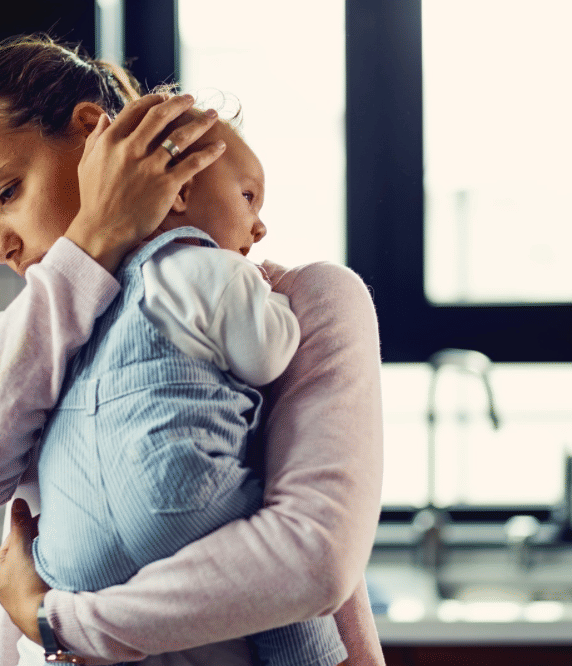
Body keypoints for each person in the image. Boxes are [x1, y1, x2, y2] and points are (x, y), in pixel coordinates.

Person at [0, 35, 385, 666]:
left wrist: (57, 622)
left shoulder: (299, 301)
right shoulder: (24, 333)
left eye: (7, 195)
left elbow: (312, 563)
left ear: (90, 133)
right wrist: (89, 249)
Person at [28, 111, 345, 666]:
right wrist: (278, 306)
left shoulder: (92, 296)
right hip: (176, 501)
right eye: (249, 196)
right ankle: (310, 660)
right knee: (278, 555)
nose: (260, 226)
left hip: (71, 553)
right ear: (178, 194)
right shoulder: (211, 268)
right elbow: (266, 355)